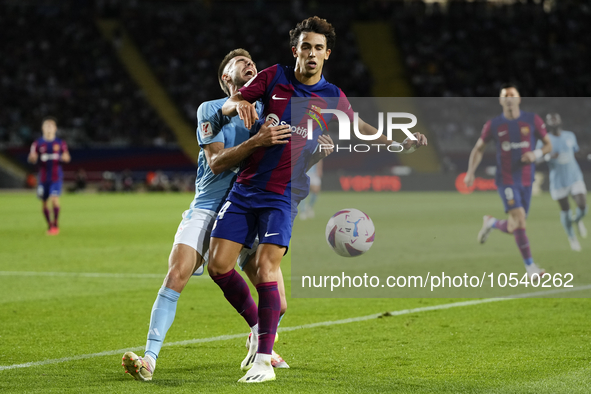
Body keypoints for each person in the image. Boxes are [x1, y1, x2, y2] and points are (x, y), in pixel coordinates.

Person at [211, 16, 427, 383]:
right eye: (306, 47)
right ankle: (257, 330)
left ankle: (264, 359)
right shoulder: (273, 77)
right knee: (218, 265)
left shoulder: (332, 97)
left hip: (284, 195)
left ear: (327, 55)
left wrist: (397, 139)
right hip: (247, 187)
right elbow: (231, 103)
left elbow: (360, 128)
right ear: (295, 50)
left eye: (319, 49)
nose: (312, 54)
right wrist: (239, 106)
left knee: (266, 267)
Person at [121, 49, 293, 381]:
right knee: (177, 274)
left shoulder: (269, 110)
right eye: (241, 64)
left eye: (253, 63)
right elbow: (215, 161)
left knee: (280, 304)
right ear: (227, 77)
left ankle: (258, 339)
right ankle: (149, 359)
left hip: (249, 208)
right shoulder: (211, 109)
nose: (251, 65)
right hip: (207, 207)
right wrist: (256, 138)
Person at [464, 84, 552, 279]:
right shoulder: (493, 125)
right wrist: (470, 172)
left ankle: (491, 223)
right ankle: (530, 268)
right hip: (506, 180)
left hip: (527, 179)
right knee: (520, 220)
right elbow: (478, 149)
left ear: (519, 99)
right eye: (505, 96)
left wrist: (535, 153)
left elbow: (548, 145)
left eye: (513, 95)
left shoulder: (532, 120)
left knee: (515, 227)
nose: (509, 98)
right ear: (501, 101)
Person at [538, 113, 587, 251]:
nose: (554, 121)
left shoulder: (570, 136)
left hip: (575, 177)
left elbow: (575, 152)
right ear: (547, 123)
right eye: (550, 119)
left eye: (555, 118)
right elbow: (535, 160)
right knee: (565, 210)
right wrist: (548, 156)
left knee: (582, 206)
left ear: (560, 121)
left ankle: (577, 220)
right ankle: (572, 237)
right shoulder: (544, 140)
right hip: (558, 181)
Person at [28, 117, 70, 235]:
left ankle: (55, 224)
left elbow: (67, 156)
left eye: (51, 126)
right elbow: (32, 157)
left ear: (55, 129)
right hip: (43, 178)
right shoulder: (37, 143)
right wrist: (32, 158)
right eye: (47, 126)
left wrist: (64, 157)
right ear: (43, 128)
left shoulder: (60, 143)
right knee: (44, 202)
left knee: (54, 198)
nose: (49, 128)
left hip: (56, 177)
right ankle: (49, 225)